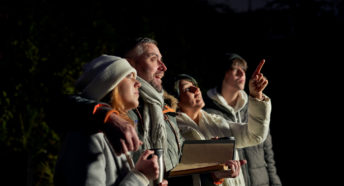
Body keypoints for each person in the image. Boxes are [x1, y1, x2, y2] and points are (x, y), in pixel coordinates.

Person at [66, 37, 244, 185]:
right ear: (129, 64)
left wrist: (212, 174)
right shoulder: (99, 119)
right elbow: (62, 105)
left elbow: (170, 176)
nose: (163, 67)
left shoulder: (166, 113)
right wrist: (106, 116)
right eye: (153, 59)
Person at [54, 55, 162, 186]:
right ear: (109, 85)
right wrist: (141, 176)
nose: (138, 83)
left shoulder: (115, 132)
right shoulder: (89, 135)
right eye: (129, 76)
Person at [170, 74, 271, 186]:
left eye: (195, 86)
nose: (196, 90)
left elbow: (254, 135)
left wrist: (256, 96)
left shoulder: (216, 122)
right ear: (176, 100)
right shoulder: (173, 132)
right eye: (187, 89)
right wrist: (214, 174)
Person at [203, 53, 282, 186]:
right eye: (235, 69)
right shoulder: (208, 114)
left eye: (244, 70)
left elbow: (268, 154)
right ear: (223, 73)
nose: (242, 73)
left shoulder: (256, 106)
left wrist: (275, 183)